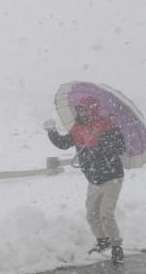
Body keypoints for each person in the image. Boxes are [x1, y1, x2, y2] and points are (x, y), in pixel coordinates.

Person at [45, 96, 128, 262]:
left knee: (106, 214)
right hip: (93, 179)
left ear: (92, 109)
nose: (81, 112)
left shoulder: (107, 126)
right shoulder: (78, 128)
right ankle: (102, 240)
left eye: (84, 109)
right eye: (79, 109)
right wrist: (52, 132)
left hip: (112, 177)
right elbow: (64, 143)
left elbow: (120, 146)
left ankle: (117, 247)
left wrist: (101, 140)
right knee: (91, 215)